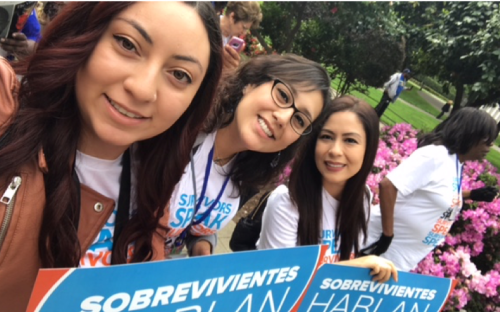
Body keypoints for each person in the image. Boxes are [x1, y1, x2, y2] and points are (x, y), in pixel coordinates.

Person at [0, 0, 223, 311]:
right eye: (127, 44)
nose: (143, 89)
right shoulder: (6, 119)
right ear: (86, 32)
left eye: (180, 75)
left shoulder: (153, 187)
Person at [166, 54, 331, 257]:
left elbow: (198, 219)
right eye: (283, 96)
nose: (283, 117)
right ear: (251, 84)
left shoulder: (249, 177)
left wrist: (202, 247)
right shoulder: (180, 130)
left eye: (299, 120)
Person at [256, 96, 398, 283]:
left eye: (350, 140)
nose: (335, 150)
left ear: (368, 149)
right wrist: (357, 265)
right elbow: (279, 281)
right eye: (326, 137)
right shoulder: (288, 201)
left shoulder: (363, 198)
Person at [363, 108, 499, 272]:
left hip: (398, 258)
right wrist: (387, 234)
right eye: (486, 140)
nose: (490, 146)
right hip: (376, 248)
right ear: (470, 135)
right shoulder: (435, 156)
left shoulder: (456, 163)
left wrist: (471, 194)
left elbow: (434, 192)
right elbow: (388, 185)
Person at [219, 0, 262, 72]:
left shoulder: (232, 41)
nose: (244, 33)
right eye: (244, 27)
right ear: (232, 17)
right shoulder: (208, 28)